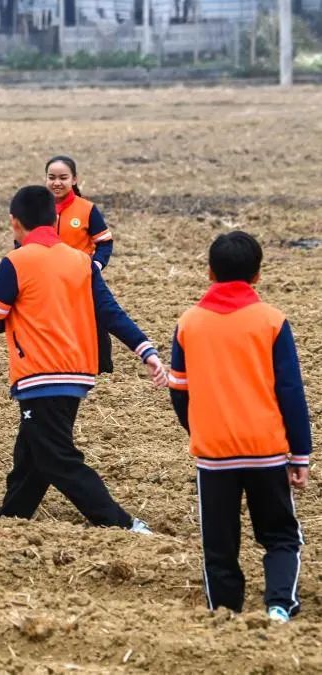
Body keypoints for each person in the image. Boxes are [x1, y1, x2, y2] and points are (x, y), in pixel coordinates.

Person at [0, 185, 167, 532]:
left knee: (56, 457)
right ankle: (11, 520)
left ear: (14, 223)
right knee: (32, 455)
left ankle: (122, 524)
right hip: (77, 372)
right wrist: (146, 350)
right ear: (56, 219)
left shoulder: (16, 261)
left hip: (39, 373)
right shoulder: (80, 261)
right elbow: (110, 311)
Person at [169, 231, 311, 624]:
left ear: (210, 272)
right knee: (280, 535)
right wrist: (300, 454)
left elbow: (179, 392)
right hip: (266, 450)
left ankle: (225, 614)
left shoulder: (189, 323)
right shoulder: (271, 321)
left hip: (214, 453)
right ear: (258, 275)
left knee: (219, 545)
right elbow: (291, 393)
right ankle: (280, 605)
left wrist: (198, 427)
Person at [45, 156, 115, 374]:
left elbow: (104, 242)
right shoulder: (39, 209)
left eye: (63, 177)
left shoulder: (87, 209)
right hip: (48, 279)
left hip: (82, 278)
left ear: (74, 179)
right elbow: (22, 241)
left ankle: (104, 370)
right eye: (52, 177)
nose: (57, 182)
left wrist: (96, 266)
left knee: (97, 321)